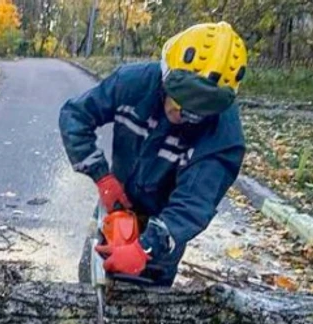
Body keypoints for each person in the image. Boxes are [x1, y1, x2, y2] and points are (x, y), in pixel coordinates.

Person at [60, 22, 248, 286]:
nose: (183, 116)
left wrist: (146, 248)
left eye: (196, 113)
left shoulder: (223, 137)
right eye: (180, 102)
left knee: (146, 306)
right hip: (117, 200)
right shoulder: (132, 84)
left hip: (165, 220)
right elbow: (76, 116)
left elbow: (193, 205)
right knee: (89, 276)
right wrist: (101, 176)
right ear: (166, 74)